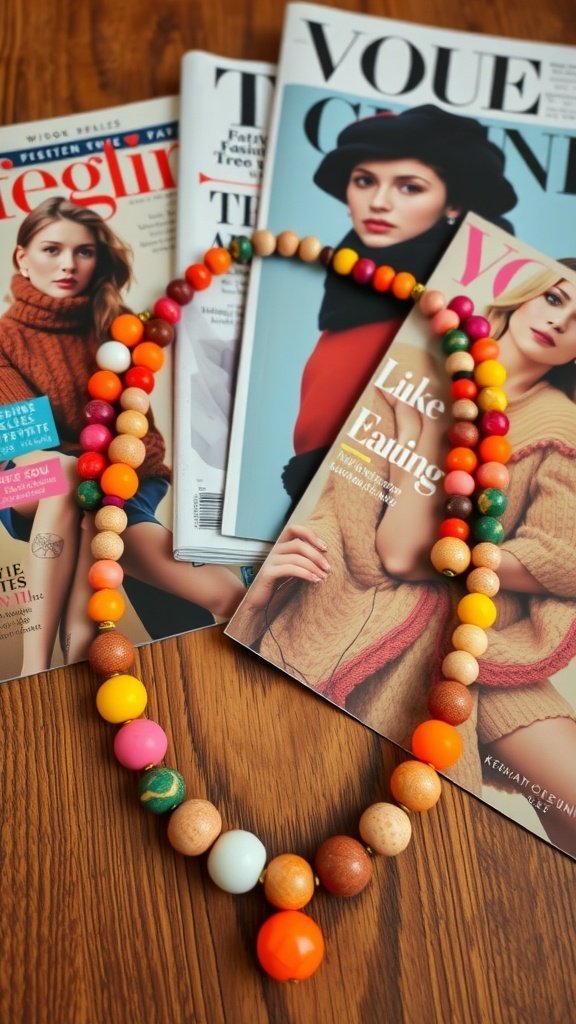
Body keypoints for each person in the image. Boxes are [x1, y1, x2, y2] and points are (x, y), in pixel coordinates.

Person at [231, 263, 576, 857]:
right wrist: (428, 436)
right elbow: (382, 549)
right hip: (367, 620)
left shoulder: (561, 427)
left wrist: (456, 551)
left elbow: (560, 557)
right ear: (524, 295)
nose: (560, 321)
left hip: (482, 648)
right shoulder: (410, 369)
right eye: (554, 297)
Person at [0, 197, 283, 675]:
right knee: (69, 475)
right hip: (23, 480)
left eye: (84, 252)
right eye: (52, 249)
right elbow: (22, 443)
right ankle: (34, 667)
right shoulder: (4, 339)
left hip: (118, 483)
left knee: (227, 594)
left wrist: (113, 476)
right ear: (22, 257)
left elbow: (145, 440)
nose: (68, 264)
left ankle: (83, 661)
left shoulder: (117, 326)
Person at [282, 104, 518, 507]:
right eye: (364, 181)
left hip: (393, 506)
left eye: (409, 187)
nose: (378, 202)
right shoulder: (348, 284)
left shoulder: (475, 304)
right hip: (321, 501)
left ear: (453, 205)